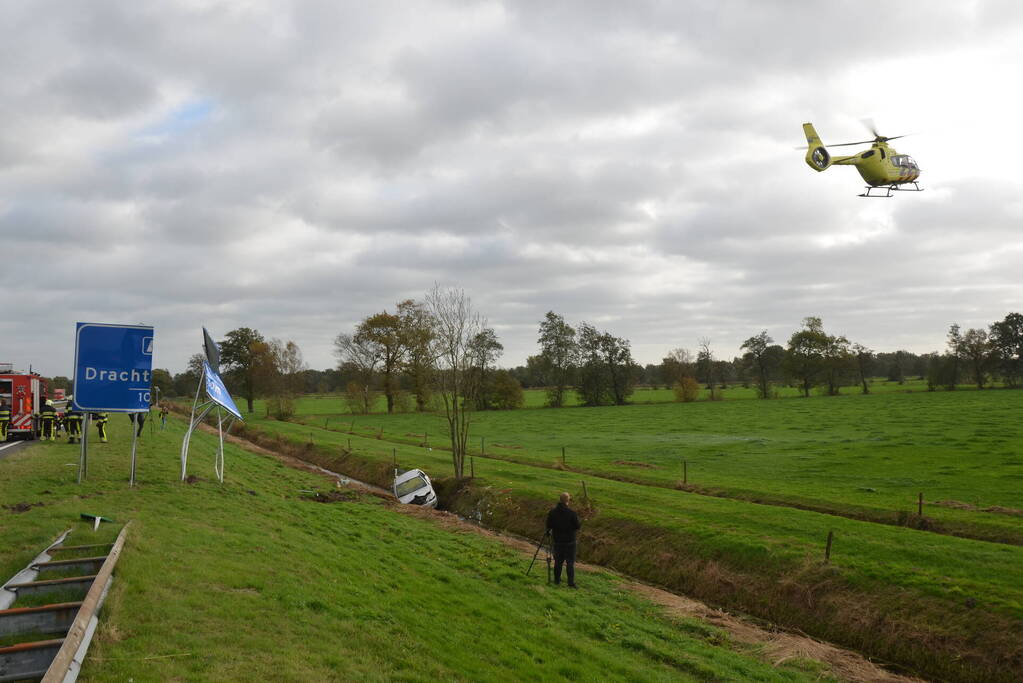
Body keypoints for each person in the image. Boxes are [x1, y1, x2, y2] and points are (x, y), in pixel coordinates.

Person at [545, 491, 581, 588]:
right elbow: (577, 526)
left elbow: (548, 525)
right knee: (570, 562)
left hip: (558, 541)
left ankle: (557, 580)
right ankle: (570, 583)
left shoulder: (552, 512)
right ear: (567, 501)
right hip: (570, 542)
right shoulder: (572, 513)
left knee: (558, 562)